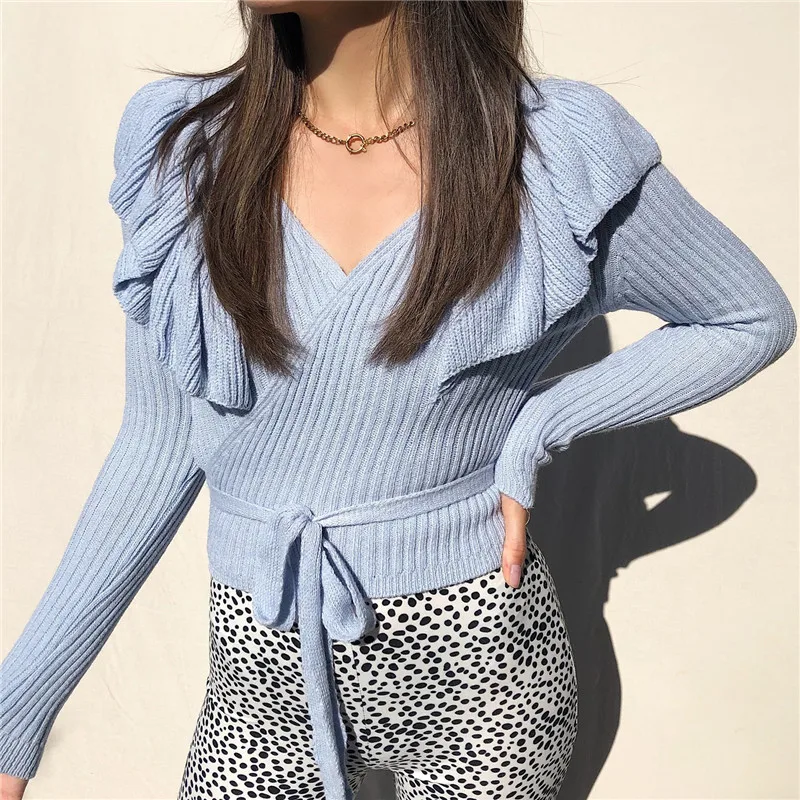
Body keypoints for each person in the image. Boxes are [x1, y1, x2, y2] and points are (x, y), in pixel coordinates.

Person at [1, 2, 796, 799]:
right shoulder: (185, 150)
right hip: (260, 693)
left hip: (485, 688)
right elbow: (159, 444)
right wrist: (16, 712)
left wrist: (540, 423)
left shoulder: (550, 150)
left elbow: (747, 318)